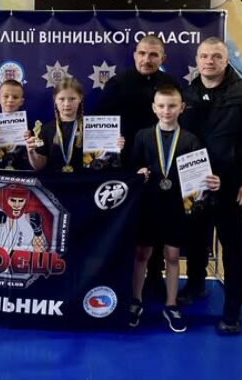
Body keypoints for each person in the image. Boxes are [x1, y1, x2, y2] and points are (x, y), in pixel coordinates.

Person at [179, 37, 242, 334]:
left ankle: (233, 308)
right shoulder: (188, 94)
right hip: (195, 184)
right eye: (204, 56)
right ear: (197, 60)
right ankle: (195, 285)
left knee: (233, 247)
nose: (209, 61)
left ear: (226, 60)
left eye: (216, 56)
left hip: (232, 187)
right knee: (195, 239)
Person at [128, 86, 221, 333]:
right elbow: (133, 166)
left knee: (172, 255)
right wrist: (138, 172)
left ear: (182, 108)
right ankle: (135, 300)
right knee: (141, 254)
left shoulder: (191, 139)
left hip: (176, 207)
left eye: (172, 106)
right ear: (154, 108)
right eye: (161, 106)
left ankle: (171, 304)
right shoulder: (143, 136)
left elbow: (199, 175)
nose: (166, 111)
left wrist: (211, 182)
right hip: (148, 205)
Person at [94, 34, 178, 295]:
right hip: (124, 167)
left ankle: (154, 274)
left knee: (157, 222)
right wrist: (110, 145)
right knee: (125, 223)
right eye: (142, 53)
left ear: (163, 58)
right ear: (134, 55)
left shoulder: (170, 84)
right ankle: (120, 275)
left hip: (161, 166)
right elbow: (98, 122)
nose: (147, 59)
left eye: (154, 55)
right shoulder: (118, 83)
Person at [25, 77, 85, 172]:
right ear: (55, 100)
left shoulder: (90, 128)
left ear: (80, 99)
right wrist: (31, 152)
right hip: (53, 181)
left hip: (85, 180)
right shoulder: (46, 130)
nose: (67, 104)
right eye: (62, 99)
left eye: (72, 99)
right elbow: (39, 166)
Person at [0, 184, 48, 253]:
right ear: (5, 200)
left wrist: (38, 231)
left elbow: (40, 250)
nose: (17, 205)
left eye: (21, 201)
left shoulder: (28, 221)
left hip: (14, 264)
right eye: (13, 200)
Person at [0, 80, 31, 170]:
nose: (10, 100)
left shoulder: (30, 129)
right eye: (6, 96)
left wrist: (30, 144)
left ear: (21, 101)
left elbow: (34, 163)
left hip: (22, 174)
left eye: (15, 97)